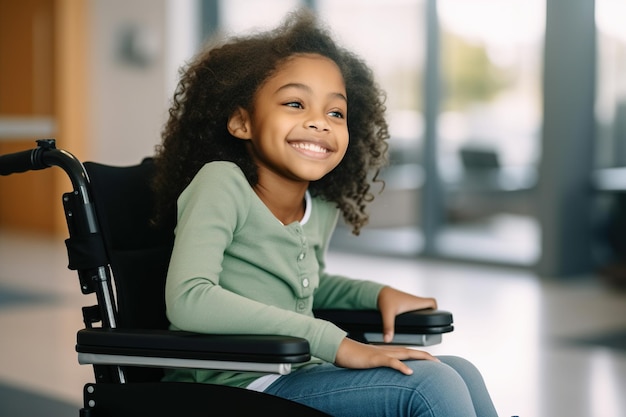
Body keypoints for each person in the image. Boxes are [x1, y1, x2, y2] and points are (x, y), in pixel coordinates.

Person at [152, 9, 499, 417]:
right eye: (295, 103)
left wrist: (376, 294)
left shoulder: (318, 206)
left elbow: (307, 287)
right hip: (238, 385)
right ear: (241, 121)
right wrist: (333, 341)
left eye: (335, 112)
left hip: (298, 372)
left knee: (461, 372)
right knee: (430, 386)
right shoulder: (221, 184)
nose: (319, 123)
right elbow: (189, 298)